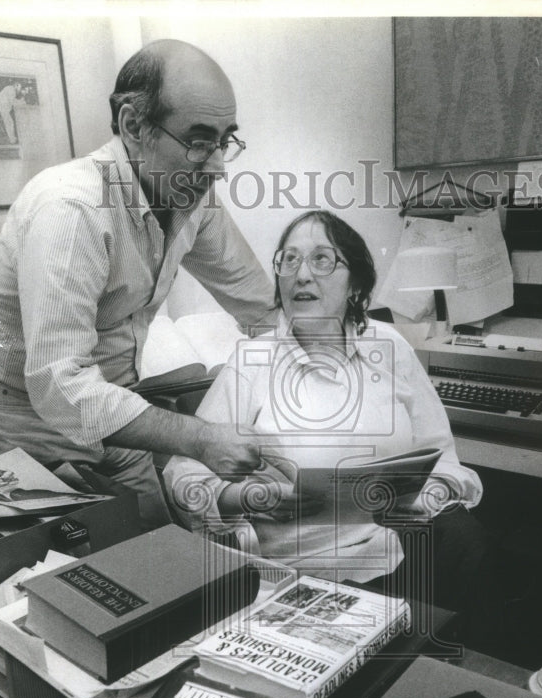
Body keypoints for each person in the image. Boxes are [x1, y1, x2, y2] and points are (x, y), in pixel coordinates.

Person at [0, 40, 277, 523]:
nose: (217, 166)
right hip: (30, 415)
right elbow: (60, 386)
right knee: (75, 570)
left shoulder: (193, 196)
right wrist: (200, 437)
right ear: (134, 126)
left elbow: (261, 307)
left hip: (120, 407)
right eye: (198, 141)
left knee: (157, 545)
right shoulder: (71, 209)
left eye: (224, 140)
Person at [164, 210, 497, 642]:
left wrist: (423, 496)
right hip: (304, 571)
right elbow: (182, 475)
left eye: (322, 260)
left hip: (395, 545)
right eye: (289, 260)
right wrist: (246, 496)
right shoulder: (252, 362)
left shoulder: (389, 345)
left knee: (470, 546)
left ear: (355, 284)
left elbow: (443, 456)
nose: (302, 275)